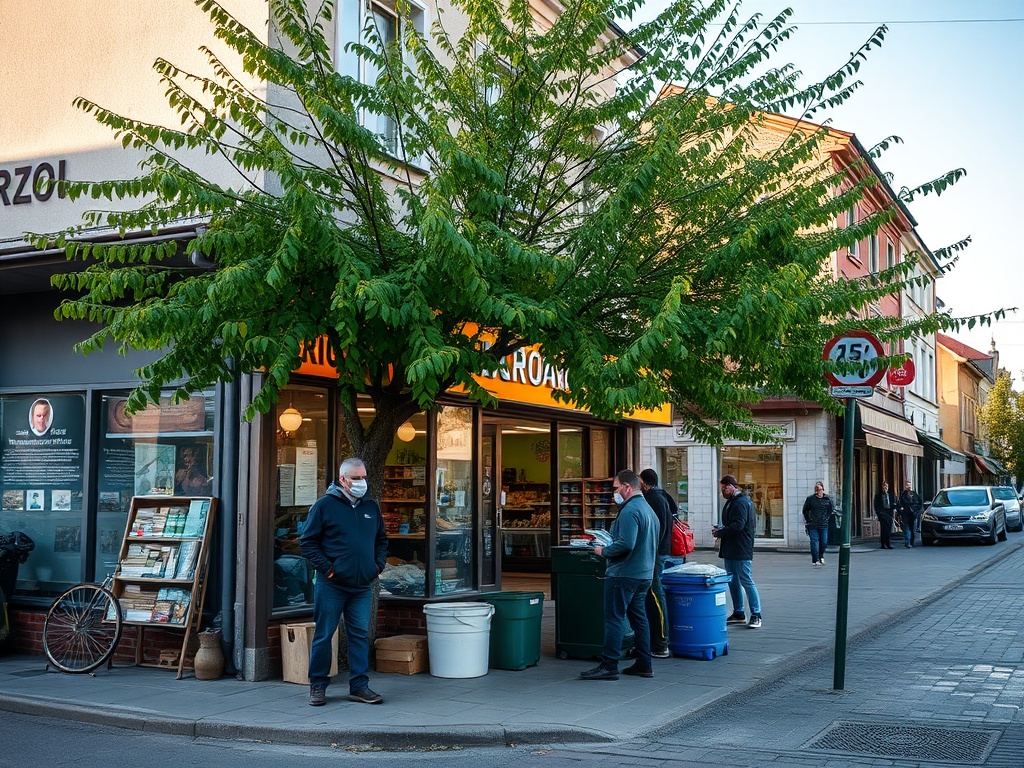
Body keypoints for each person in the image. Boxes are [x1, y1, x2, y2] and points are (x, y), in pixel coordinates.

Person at [300, 457, 388, 706]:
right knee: (324, 634)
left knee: (359, 635)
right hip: (332, 585)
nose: (362, 483)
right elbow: (307, 543)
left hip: (362, 586)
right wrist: (328, 570)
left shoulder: (371, 507)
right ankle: (317, 685)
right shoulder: (324, 506)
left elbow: (381, 540)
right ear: (342, 479)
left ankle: (359, 686)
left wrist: (377, 566)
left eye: (364, 477)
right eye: (356, 478)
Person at [579, 470, 659, 681]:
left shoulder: (630, 510)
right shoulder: (649, 511)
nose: (614, 492)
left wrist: (603, 551)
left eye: (615, 488)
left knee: (614, 619)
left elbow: (626, 543)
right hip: (644, 574)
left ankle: (609, 665)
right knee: (640, 619)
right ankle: (644, 663)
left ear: (626, 487)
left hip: (624, 573)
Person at [714, 475, 762, 628]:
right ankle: (739, 613)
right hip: (732, 548)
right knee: (733, 581)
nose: (722, 490)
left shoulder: (740, 502)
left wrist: (720, 532)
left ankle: (756, 614)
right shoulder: (733, 502)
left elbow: (738, 525)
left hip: (740, 548)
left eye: (724, 487)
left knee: (746, 580)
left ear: (732, 486)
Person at [639, 468, 675, 658]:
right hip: (660, 551)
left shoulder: (652, 499)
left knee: (654, 591)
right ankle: (656, 640)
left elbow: (655, 529)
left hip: (655, 553)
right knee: (652, 592)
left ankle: (661, 641)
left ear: (643, 483)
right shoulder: (663, 496)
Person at [801, 482, 834, 566]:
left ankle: (821, 556)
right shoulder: (810, 499)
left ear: (823, 489)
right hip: (813, 524)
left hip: (824, 524)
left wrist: (826, 518)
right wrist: (809, 519)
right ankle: (815, 560)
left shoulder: (828, 499)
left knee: (823, 542)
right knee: (814, 541)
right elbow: (805, 510)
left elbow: (830, 510)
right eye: (816, 490)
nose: (818, 492)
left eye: (819, 489)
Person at [898, 480, 924, 548]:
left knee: (913, 529)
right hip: (906, 514)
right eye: (907, 485)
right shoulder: (903, 495)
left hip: (914, 514)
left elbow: (920, 503)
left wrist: (917, 511)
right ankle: (908, 542)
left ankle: (912, 543)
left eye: (909, 485)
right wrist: (901, 512)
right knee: (907, 529)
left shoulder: (915, 494)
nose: (908, 486)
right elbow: (900, 504)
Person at [874, 481, 895, 550]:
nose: (885, 488)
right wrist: (879, 514)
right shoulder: (878, 495)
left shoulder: (891, 495)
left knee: (888, 530)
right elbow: (876, 506)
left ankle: (888, 543)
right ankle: (883, 544)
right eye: (884, 486)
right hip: (883, 514)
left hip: (889, 514)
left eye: (886, 486)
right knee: (883, 530)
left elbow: (893, 503)